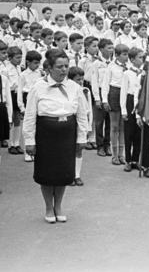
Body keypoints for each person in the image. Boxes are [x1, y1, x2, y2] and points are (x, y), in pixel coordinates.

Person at [23, 49, 90, 223]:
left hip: (67, 134)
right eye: (59, 66)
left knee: (63, 172)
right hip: (46, 134)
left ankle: (58, 206)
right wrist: (29, 140)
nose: (64, 70)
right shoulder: (38, 87)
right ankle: (48, 207)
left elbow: (82, 115)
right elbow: (30, 116)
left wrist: (82, 137)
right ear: (49, 68)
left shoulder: (74, 87)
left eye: (66, 66)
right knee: (47, 173)